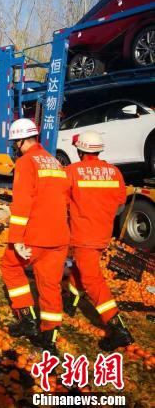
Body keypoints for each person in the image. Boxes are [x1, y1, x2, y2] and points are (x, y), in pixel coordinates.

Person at [0, 118, 70, 353]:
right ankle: (49, 338)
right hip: (59, 235)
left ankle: (27, 319)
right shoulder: (54, 162)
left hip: (35, 235)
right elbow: (50, 196)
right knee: (50, 284)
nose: (14, 146)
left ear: (20, 141)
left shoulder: (26, 162)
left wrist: (17, 238)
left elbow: (24, 201)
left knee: (10, 266)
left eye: (14, 142)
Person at [64, 131, 133, 351]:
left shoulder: (72, 172)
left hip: (83, 235)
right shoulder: (114, 172)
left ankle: (118, 328)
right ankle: (70, 301)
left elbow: (62, 202)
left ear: (80, 150)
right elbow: (120, 204)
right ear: (99, 150)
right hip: (102, 234)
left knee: (92, 279)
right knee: (81, 269)